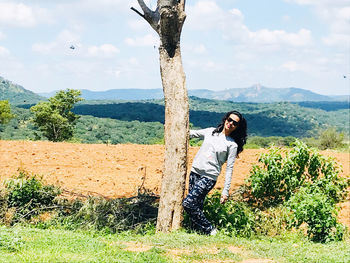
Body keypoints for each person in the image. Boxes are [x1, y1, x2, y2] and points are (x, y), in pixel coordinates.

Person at [183, 110, 247, 235]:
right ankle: (196, 232)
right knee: (197, 205)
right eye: (229, 120)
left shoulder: (232, 145)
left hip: (209, 177)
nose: (230, 123)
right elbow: (191, 134)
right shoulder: (211, 132)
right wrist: (172, 128)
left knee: (188, 203)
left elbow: (229, 168)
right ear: (225, 119)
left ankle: (210, 229)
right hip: (195, 172)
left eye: (234, 123)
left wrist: (225, 191)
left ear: (237, 127)